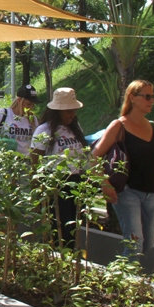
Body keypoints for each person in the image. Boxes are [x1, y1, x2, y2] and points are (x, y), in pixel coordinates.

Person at [91, 80, 154, 258]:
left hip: (151, 193)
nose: (152, 100)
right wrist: (104, 184)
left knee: (147, 245)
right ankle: (120, 276)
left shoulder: (153, 127)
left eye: (153, 96)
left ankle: (122, 272)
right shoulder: (119, 126)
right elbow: (93, 157)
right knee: (135, 245)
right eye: (147, 96)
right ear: (132, 98)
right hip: (127, 192)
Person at [31, 87, 90, 250]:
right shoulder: (43, 130)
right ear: (57, 111)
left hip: (76, 182)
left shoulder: (75, 127)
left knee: (75, 226)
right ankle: (60, 256)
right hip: (56, 184)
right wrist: (36, 192)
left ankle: (71, 257)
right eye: (68, 111)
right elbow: (35, 163)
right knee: (61, 227)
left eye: (74, 110)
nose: (72, 114)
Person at [0, 84, 39, 154]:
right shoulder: (3, 113)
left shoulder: (33, 118)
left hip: (26, 159)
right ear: (19, 100)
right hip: (6, 158)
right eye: (28, 104)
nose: (31, 107)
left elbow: (36, 142)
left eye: (33, 105)